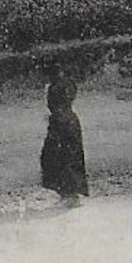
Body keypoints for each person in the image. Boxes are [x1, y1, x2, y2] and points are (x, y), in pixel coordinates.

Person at [39, 75, 88, 206]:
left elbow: (57, 105)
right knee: (62, 158)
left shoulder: (56, 87)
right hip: (66, 121)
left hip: (62, 123)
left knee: (62, 158)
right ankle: (68, 193)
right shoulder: (64, 83)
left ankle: (70, 195)